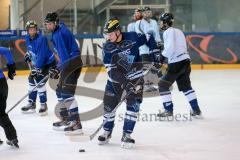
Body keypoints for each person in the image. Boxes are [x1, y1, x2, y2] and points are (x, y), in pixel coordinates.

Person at [98, 18, 157, 149]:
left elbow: (148, 37)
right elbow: (111, 72)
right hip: (115, 82)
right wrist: (126, 83)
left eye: (110, 34)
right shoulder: (107, 48)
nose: (108, 37)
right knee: (109, 107)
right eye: (106, 34)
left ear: (118, 31)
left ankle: (127, 134)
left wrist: (154, 53)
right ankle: (107, 131)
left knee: (133, 106)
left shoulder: (133, 37)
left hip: (135, 78)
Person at [44, 12, 83, 135]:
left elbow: (65, 58)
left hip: (72, 64)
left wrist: (57, 68)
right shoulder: (59, 30)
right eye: (46, 24)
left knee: (67, 93)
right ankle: (66, 119)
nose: (47, 26)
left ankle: (76, 123)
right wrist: (57, 67)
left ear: (55, 23)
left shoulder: (59, 34)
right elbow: (63, 57)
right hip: (69, 64)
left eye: (49, 24)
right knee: (60, 91)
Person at [157, 13, 202, 118]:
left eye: (161, 21)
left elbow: (170, 48)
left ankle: (168, 111)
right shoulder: (179, 31)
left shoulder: (167, 32)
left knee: (162, 85)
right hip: (186, 62)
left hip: (176, 63)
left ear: (165, 22)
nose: (160, 23)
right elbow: (177, 45)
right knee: (186, 87)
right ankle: (196, 110)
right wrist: (165, 47)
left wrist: (162, 57)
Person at [21, 20, 56, 116]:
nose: (32, 31)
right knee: (31, 79)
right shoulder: (27, 38)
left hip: (48, 63)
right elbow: (31, 50)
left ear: (36, 30)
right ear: (28, 31)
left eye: (34, 29)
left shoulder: (42, 39)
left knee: (39, 80)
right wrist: (28, 55)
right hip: (39, 63)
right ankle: (31, 103)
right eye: (30, 29)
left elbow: (42, 56)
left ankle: (43, 105)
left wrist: (37, 68)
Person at [135, 6, 163, 92]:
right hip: (144, 49)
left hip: (154, 48)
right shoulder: (139, 23)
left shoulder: (154, 22)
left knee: (157, 66)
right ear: (142, 13)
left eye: (149, 12)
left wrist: (159, 42)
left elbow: (157, 34)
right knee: (146, 67)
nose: (147, 13)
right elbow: (140, 36)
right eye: (145, 12)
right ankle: (147, 85)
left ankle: (162, 84)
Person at [0, 47, 19, 148]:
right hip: (2, 84)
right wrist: (11, 68)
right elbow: (7, 51)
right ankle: (12, 137)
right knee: (1, 113)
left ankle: (12, 137)